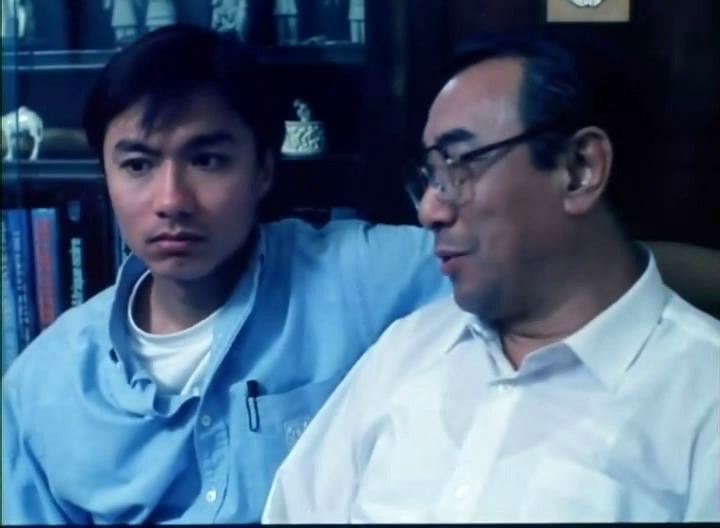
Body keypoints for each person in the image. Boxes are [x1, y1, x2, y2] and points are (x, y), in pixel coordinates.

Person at [1, 24, 717, 525]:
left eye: (209, 159)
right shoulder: (44, 384)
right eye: (136, 164)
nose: (171, 200)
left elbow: (572, 264)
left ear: (265, 170)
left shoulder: (366, 280)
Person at [261, 31, 720, 523]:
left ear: (579, 169)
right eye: (429, 177)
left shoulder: (702, 398)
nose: (430, 211)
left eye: (457, 167)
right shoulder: (407, 350)